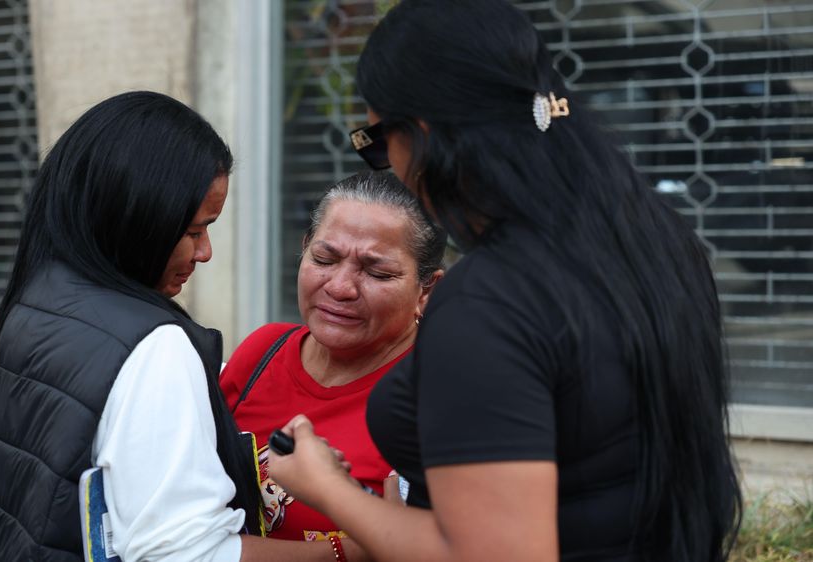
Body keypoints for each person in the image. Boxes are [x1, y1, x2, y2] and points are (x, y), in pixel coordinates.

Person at [268, 2, 743, 561]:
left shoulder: (492, 301)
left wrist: (327, 488)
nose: (388, 166)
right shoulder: (657, 241)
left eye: (377, 144)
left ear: (421, 135)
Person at [0, 91, 368, 562]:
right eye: (195, 230)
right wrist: (348, 550)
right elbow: (187, 553)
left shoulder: (37, 301)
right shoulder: (154, 347)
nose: (205, 252)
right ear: (135, 216)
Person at [220, 171, 445, 543]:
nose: (340, 287)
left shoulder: (440, 396)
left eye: (377, 272)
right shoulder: (263, 350)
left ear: (426, 289)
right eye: (324, 259)